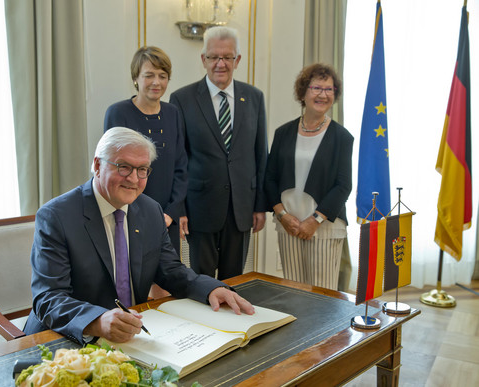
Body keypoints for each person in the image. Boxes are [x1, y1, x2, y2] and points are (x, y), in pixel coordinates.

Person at [24, 127, 254, 344]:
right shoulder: (56, 216)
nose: (133, 179)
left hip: (133, 334)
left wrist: (211, 288)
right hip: (66, 338)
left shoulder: (150, 210)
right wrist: (96, 321)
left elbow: (171, 271)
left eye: (142, 169)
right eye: (123, 167)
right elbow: (49, 298)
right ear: (97, 165)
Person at [170, 26, 267, 280]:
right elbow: (178, 159)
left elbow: (260, 154)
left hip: (241, 209)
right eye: (213, 57)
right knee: (200, 281)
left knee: (234, 281)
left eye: (227, 57)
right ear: (204, 60)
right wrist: (179, 208)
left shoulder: (254, 97)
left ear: (238, 60)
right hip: (199, 207)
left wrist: (259, 206)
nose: (220, 64)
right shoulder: (182, 99)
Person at [264, 63, 353, 290]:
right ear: (303, 93)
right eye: (316, 88)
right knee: (294, 291)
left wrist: (314, 221)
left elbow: (343, 186)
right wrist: (283, 216)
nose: (323, 95)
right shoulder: (283, 132)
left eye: (329, 89)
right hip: (288, 224)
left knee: (321, 296)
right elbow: (270, 178)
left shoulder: (342, 137)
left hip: (324, 227)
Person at [104, 46, 186, 258]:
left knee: (168, 282)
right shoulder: (118, 113)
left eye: (163, 76)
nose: (156, 82)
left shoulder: (173, 113)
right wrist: (145, 215)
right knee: (133, 282)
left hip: (167, 218)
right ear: (136, 78)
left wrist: (170, 213)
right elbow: (113, 170)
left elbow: (181, 167)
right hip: (130, 215)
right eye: (149, 75)